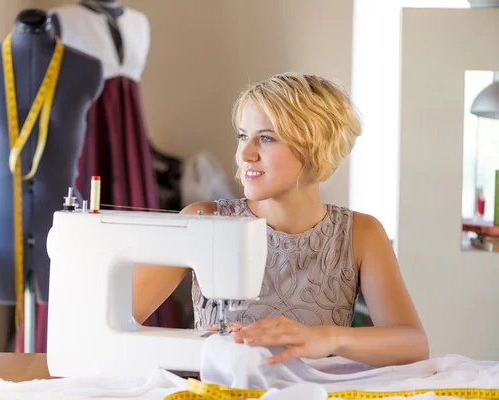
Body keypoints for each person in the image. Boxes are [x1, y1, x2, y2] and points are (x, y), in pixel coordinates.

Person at [132, 72, 429, 368]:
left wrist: (329, 338)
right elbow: (114, 322)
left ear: (315, 146)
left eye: (265, 138)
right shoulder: (204, 221)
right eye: (242, 136)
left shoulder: (360, 234)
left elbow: (413, 344)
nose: (245, 154)